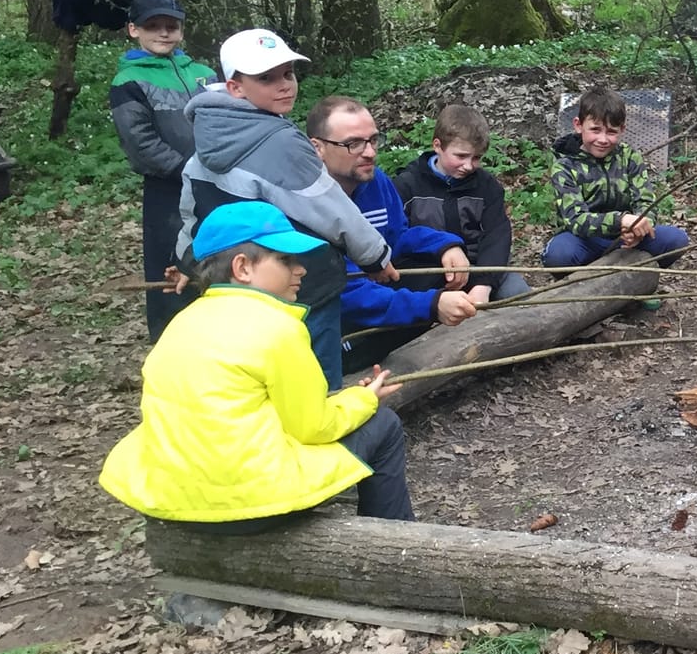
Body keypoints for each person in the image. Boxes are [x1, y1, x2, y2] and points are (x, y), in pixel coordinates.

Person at [99, 201, 414, 531]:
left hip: (169, 501)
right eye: (285, 260)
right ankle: (395, 540)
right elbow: (313, 427)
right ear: (242, 268)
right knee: (384, 424)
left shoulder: (180, 322)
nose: (301, 270)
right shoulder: (279, 328)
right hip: (248, 507)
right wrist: (364, 399)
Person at [178, 29, 395, 387]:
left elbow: (193, 208)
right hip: (300, 284)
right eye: (267, 78)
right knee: (314, 379)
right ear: (235, 87)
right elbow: (330, 207)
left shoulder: (209, 133)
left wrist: (188, 259)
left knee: (257, 379)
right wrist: (375, 257)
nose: (284, 85)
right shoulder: (280, 142)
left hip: (235, 282)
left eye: (288, 73)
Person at [307, 96, 478, 362]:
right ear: (317, 147)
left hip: (375, 289)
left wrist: (445, 245)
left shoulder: (376, 182)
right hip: (334, 314)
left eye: (373, 140)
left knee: (436, 272)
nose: (370, 152)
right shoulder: (305, 203)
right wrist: (431, 305)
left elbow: (396, 239)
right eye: (353, 144)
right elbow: (344, 291)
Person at [109, 0, 217, 340]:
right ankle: (170, 339)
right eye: (153, 26)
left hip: (215, 181)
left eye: (171, 26)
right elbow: (139, 142)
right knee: (171, 263)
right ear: (133, 30)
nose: (164, 33)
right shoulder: (129, 81)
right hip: (168, 189)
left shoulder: (204, 74)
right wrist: (185, 170)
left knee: (216, 252)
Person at [395, 103, 530, 306]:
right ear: (438, 146)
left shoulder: (487, 187)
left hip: (478, 269)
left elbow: (496, 237)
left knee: (518, 294)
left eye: (476, 158)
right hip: (425, 272)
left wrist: (484, 285)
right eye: (461, 156)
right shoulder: (407, 185)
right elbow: (397, 238)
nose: (468, 166)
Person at [545, 87, 691, 268]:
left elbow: (646, 202)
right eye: (595, 130)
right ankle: (585, 277)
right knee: (558, 255)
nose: (603, 139)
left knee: (676, 239)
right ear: (578, 125)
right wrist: (620, 220)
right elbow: (575, 219)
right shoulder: (565, 165)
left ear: (622, 130)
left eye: (611, 132)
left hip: (625, 237)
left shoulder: (630, 157)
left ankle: (638, 270)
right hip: (585, 240)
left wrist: (638, 228)